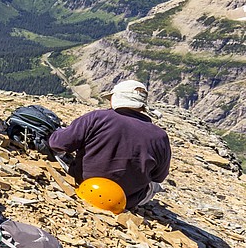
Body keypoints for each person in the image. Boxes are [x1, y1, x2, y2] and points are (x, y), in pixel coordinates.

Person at [47, 79, 171, 209]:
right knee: (156, 186)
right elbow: (159, 176)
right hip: (127, 200)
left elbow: (58, 144)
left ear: (114, 99)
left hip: (84, 185)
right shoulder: (160, 136)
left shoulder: (97, 118)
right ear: (141, 106)